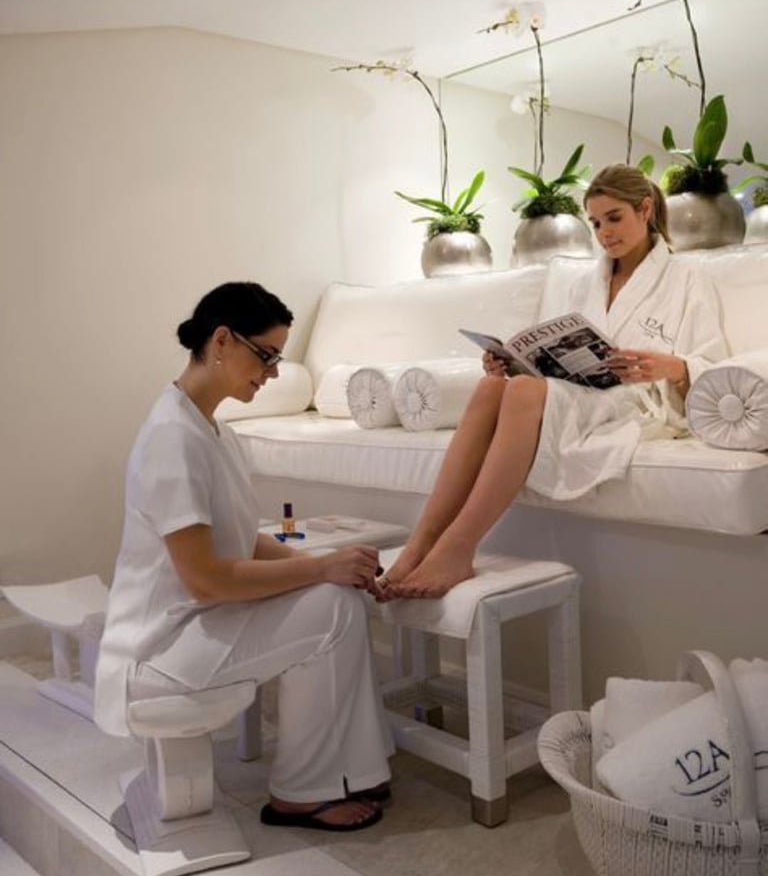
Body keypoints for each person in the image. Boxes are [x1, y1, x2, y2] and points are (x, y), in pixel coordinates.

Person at [94, 282, 392, 832]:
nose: (273, 373)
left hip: (196, 627)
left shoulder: (212, 429)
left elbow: (243, 541)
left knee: (337, 597)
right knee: (331, 607)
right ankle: (303, 793)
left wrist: (333, 566)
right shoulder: (172, 437)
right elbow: (205, 579)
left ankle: (350, 771)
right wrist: (319, 569)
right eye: (267, 356)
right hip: (160, 651)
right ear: (223, 341)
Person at [379, 164, 729, 600]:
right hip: (580, 392)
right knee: (492, 387)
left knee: (525, 391)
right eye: (595, 223)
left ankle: (459, 547)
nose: (604, 233)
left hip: (638, 404)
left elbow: (714, 365)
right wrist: (512, 362)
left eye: (614, 218)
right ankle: (421, 543)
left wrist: (673, 366)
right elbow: (554, 353)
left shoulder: (688, 278)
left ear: (644, 210)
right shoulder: (587, 282)